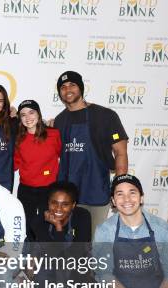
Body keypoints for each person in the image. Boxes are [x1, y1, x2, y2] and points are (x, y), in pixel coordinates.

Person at [53, 71, 128, 234]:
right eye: (63, 87)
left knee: (94, 241)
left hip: (96, 191)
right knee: (69, 242)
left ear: (81, 88)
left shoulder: (105, 116)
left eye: (72, 85)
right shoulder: (59, 121)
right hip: (67, 195)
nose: (68, 90)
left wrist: (119, 189)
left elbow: (120, 153)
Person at [29, 181, 91, 288]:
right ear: (48, 202)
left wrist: (57, 227)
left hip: (75, 268)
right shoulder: (38, 220)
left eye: (65, 205)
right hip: (51, 264)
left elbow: (73, 256)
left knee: (62, 269)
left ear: (74, 205)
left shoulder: (83, 217)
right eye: (54, 203)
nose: (58, 209)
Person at [14, 100, 62, 242]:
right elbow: (14, 164)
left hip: (48, 189)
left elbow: (61, 154)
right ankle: (29, 260)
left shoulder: (54, 134)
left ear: (39, 114)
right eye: (23, 115)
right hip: (26, 189)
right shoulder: (18, 139)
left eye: (31, 112)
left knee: (45, 226)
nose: (28, 118)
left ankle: (45, 259)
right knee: (26, 226)